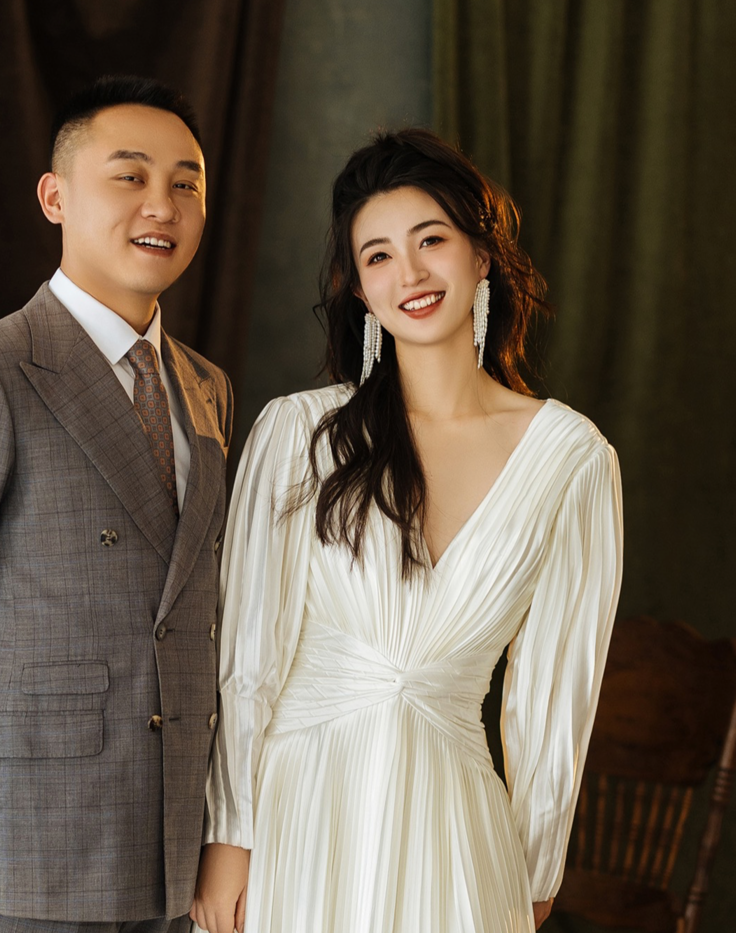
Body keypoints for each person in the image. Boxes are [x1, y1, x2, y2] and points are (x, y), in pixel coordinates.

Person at [189, 128, 624, 933]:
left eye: (432, 240)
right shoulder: (300, 434)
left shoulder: (572, 458)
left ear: (481, 255)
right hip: (296, 821)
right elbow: (248, 656)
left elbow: (554, 698)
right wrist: (229, 833)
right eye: (379, 256)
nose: (411, 274)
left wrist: (533, 873)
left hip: (455, 836)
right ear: (359, 289)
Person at [0, 75, 233, 933]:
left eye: (186, 183)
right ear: (55, 197)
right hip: (16, 848)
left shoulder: (206, 386)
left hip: (172, 851)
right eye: (130, 176)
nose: (162, 204)